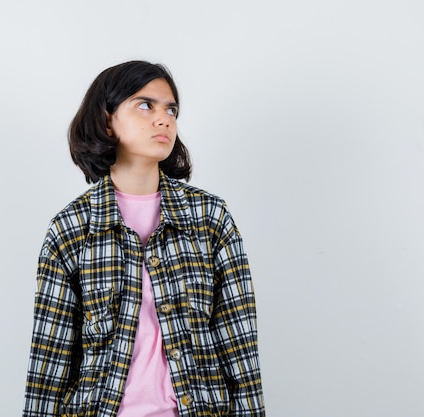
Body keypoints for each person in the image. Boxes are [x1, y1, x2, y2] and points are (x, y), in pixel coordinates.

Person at [22, 60, 265, 417]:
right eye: (145, 105)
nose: (164, 118)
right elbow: (50, 362)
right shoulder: (71, 229)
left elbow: (240, 347)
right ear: (107, 119)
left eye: (171, 109)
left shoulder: (211, 219)